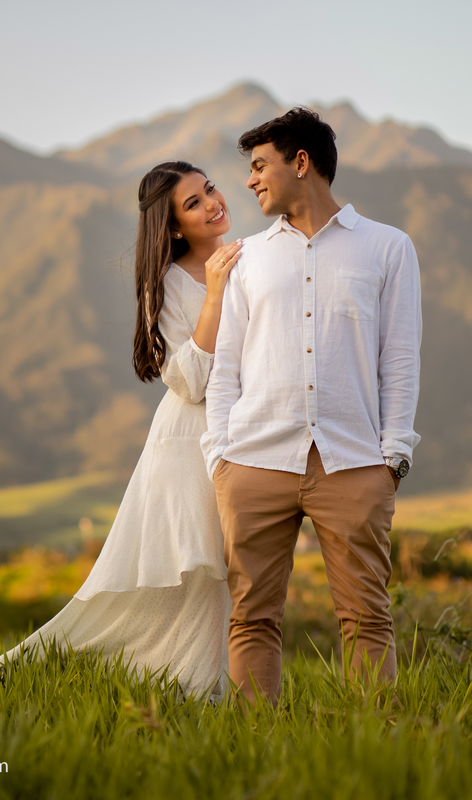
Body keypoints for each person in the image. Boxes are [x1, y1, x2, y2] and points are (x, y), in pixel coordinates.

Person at [0, 161, 241, 698]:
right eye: (193, 203)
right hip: (188, 444)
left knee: (229, 576)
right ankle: (189, 694)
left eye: (209, 188)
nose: (213, 203)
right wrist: (214, 295)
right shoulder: (167, 285)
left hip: (243, 436)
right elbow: (188, 381)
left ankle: (203, 693)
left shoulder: (251, 261)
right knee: (200, 576)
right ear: (173, 228)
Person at [203, 108, 422, 707]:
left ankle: (377, 743)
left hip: (355, 464)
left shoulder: (388, 248)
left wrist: (392, 458)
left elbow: (400, 359)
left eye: (259, 165)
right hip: (253, 463)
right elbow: (226, 367)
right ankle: (254, 742)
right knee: (251, 619)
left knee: (367, 618)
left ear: (301, 162)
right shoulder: (246, 256)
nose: (249, 180)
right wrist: (220, 459)